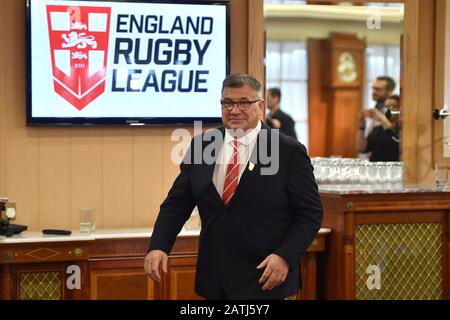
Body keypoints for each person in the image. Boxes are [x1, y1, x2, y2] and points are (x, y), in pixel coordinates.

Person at [144, 73, 323, 300]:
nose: (234, 109)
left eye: (243, 102)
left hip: (266, 279)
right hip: (216, 280)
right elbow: (177, 204)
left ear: (260, 106)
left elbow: (310, 213)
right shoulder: (202, 146)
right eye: (227, 102)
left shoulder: (287, 150)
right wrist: (159, 245)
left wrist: (285, 256)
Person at [357, 95, 401, 162]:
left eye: (392, 107)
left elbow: (397, 141)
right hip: (375, 169)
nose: (388, 110)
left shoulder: (401, 129)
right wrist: (361, 126)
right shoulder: (378, 129)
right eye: (386, 107)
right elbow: (362, 148)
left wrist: (382, 119)